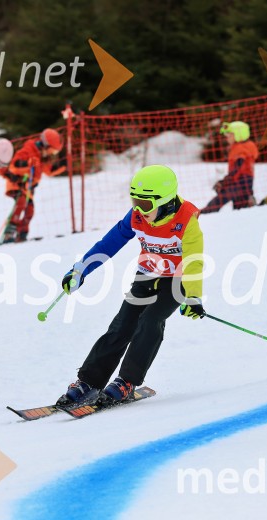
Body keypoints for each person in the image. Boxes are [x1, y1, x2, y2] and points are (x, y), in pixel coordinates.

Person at [56, 164, 206, 407]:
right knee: (122, 325)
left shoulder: (186, 220)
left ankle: (127, 381)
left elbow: (193, 261)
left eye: (145, 204)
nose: (138, 209)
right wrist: (81, 269)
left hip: (177, 280)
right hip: (147, 275)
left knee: (150, 321)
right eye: (135, 200)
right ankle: (89, 381)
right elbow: (109, 244)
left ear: (165, 201)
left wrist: (193, 297)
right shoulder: (136, 216)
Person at [1, 128, 65, 243]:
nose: (52, 154)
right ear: (46, 145)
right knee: (21, 203)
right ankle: (9, 233)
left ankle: (22, 234)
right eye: (53, 151)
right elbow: (14, 165)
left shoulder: (43, 157)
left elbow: (49, 171)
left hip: (29, 187)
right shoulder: (29, 149)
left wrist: (63, 165)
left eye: (55, 152)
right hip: (17, 183)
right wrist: (27, 164)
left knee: (30, 210)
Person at [200, 121, 267, 214]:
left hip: (240, 182)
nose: (227, 137)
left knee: (221, 198)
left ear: (238, 135)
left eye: (229, 135)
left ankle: (203, 213)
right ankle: (265, 204)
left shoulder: (240, 149)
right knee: (241, 210)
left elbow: (237, 168)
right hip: (246, 182)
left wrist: (224, 182)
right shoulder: (245, 146)